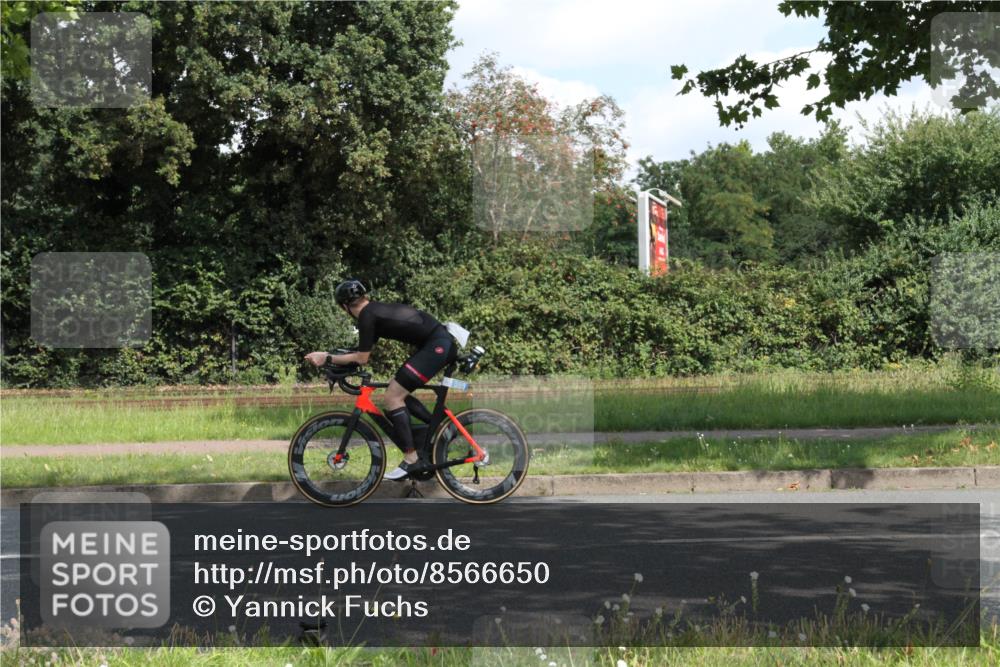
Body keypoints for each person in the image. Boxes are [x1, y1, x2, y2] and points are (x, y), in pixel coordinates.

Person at [304, 279, 457, 481]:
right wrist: (336, 361)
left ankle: (411, 459)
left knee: (393, 396)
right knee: (396, 395)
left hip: (437, 346)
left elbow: (361, 358)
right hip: (439, 343)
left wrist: (327, 357)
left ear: (344, 307)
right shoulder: (373, 312)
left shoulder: (367, 316)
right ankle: (440, 429)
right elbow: (361, 354)